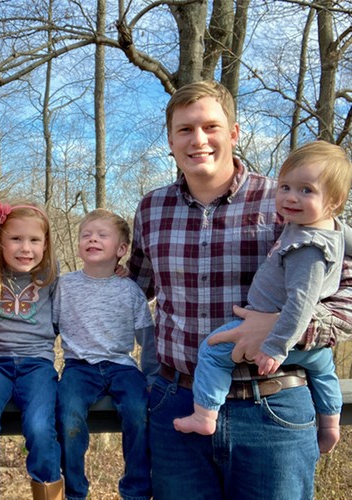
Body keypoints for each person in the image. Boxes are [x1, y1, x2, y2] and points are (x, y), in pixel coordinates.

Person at [128, 80, 352, 500]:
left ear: (233, 133)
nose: (198, 140)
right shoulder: (151, 209)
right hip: (177, 406)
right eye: (185, 129)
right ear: (170, 141)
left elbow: (347, 290)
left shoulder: (287, 199)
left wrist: (288, 327)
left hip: (273, 407)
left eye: (211, 127)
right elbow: (130, 295)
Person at [173, 140, 351, 455]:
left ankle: (204, 415)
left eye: (306, 190)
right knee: (323, 368)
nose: (291, 197)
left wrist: (274, 345)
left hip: (274, 337)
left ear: (334, 201)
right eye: (285, 187)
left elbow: (301, 304)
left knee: (212, 350)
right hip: (302, 345)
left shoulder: (307, 249)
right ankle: (330, 424)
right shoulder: (327, 227)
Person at [0, 201, 63, 500]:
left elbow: (82, 296)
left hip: (37, 365)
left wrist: (116, 270)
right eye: (16, 238)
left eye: (34, 240)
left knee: (40, 427)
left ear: (46, 244)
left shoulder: (51, 274)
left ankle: (49, 492)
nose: (25, 248)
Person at [54, 209, 153, 500]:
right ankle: (74, 491)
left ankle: (136, 490)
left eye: (101, 235)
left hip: (122, 365)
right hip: (78, 367)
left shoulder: (130, 290)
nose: (92, 239)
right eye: (86, 235)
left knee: (138, 411)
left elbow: (147, 338)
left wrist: (152, 377)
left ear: (121, 249)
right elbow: (48, 330)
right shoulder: (64, 286)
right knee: (68, 416)